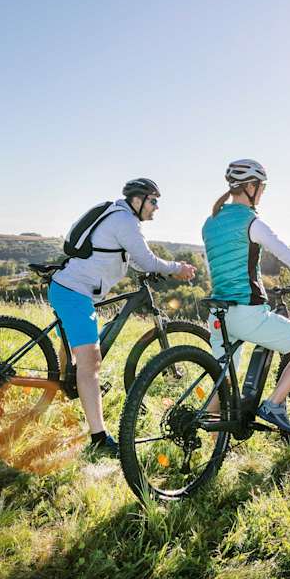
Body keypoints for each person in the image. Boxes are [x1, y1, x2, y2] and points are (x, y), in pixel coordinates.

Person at [50, 178, 197, 456]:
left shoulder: (115, 214)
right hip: (75, 293)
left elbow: (120, 256)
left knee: (75, 354)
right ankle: (98, 438)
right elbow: (147, 259)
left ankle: (61, 390)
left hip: (69, 288)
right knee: (91, 362)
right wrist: (178, 268)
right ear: (138, 200)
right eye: (153, 201)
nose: (156, 208)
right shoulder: (125, 221)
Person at [201, 159, 290, 434]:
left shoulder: (210, 222)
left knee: (223, 380)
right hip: (248, 313)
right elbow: (285, 253)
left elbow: (217, 265)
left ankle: (209, 447)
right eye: (261, 187)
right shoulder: (252, 221)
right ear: (250, 187)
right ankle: (274, 404)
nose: (262, 193)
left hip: (218, 313)